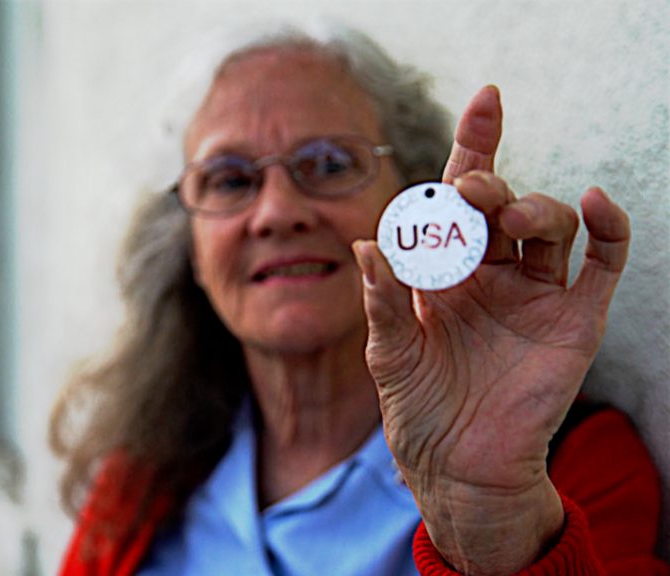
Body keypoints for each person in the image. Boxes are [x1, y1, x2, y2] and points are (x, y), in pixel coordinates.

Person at [50, 26, 667, 576]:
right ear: (188, 246)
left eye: (327, 164)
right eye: (230, 180)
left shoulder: (565, 473)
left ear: (416, 202)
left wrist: (495, 518)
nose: (277, 213)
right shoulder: (143, 479)